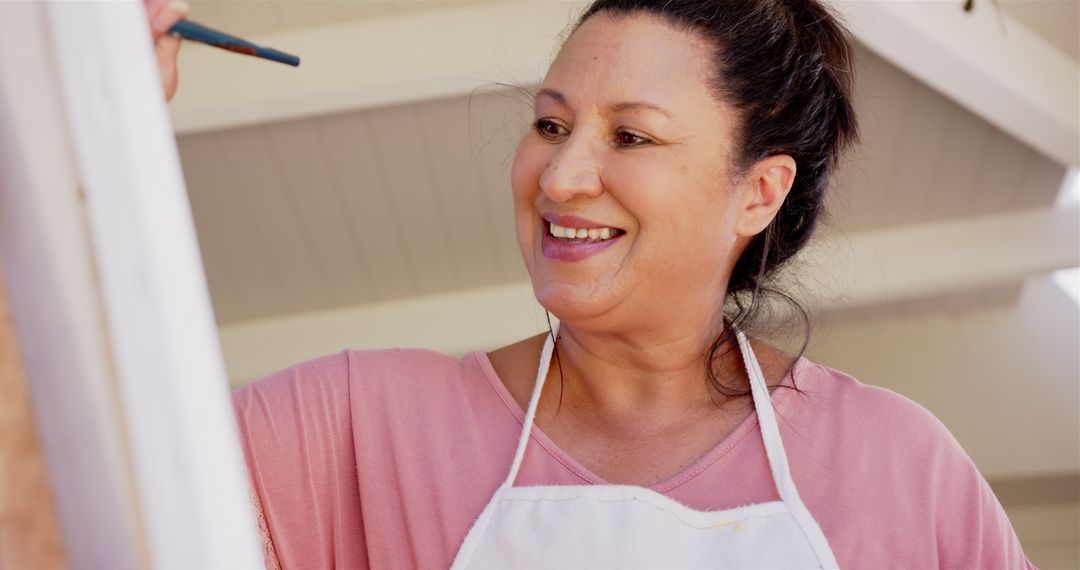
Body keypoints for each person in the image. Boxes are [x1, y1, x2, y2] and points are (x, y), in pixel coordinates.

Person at [150, 0, 1034, 567]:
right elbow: (55, 488)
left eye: (632, 137)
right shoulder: (357, 429)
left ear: (757, 194)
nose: (561, 175)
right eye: (550, 123)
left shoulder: (898, 468)